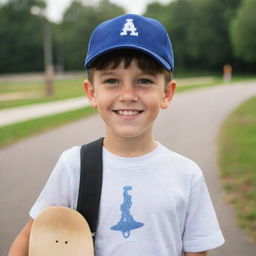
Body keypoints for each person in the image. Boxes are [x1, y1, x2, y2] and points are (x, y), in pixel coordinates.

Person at [8, 14, 225, 256]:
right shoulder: (75, 166)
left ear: (167, 93)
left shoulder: (187, 175)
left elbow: (196, 252)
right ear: (92, 92)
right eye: (112, 81)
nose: (128, 94)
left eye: (144, 80)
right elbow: (31, 237)